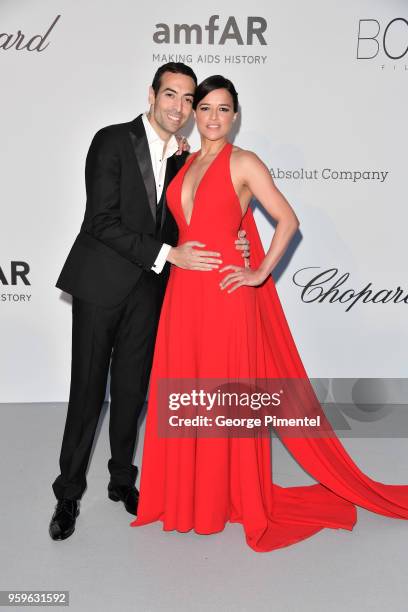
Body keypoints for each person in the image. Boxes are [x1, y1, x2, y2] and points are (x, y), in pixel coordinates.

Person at [131, 75, 408, 552]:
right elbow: (184, 225)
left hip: (223, 294)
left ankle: (220, 497)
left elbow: (288, 219)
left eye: (223, 109)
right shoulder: (185, 163)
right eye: (205, 108)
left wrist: (257, 271)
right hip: (183, 294)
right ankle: (188, 496)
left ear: (235, 116)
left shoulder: (245, 162)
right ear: (194, 114)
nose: (213, 117)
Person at [49, 64, 249, 541]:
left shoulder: (186, 159)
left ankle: (122, 481)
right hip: (101, 286)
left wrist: (237, 243)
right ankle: (68, 495)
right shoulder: (112, 140)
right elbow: (100, 220)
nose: (179, 107)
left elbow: (193, 222)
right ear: (152, 94)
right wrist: (165, 253)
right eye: (171, 95)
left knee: (135, 394)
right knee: (87, 394)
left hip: (151, 292)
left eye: (187, 100)